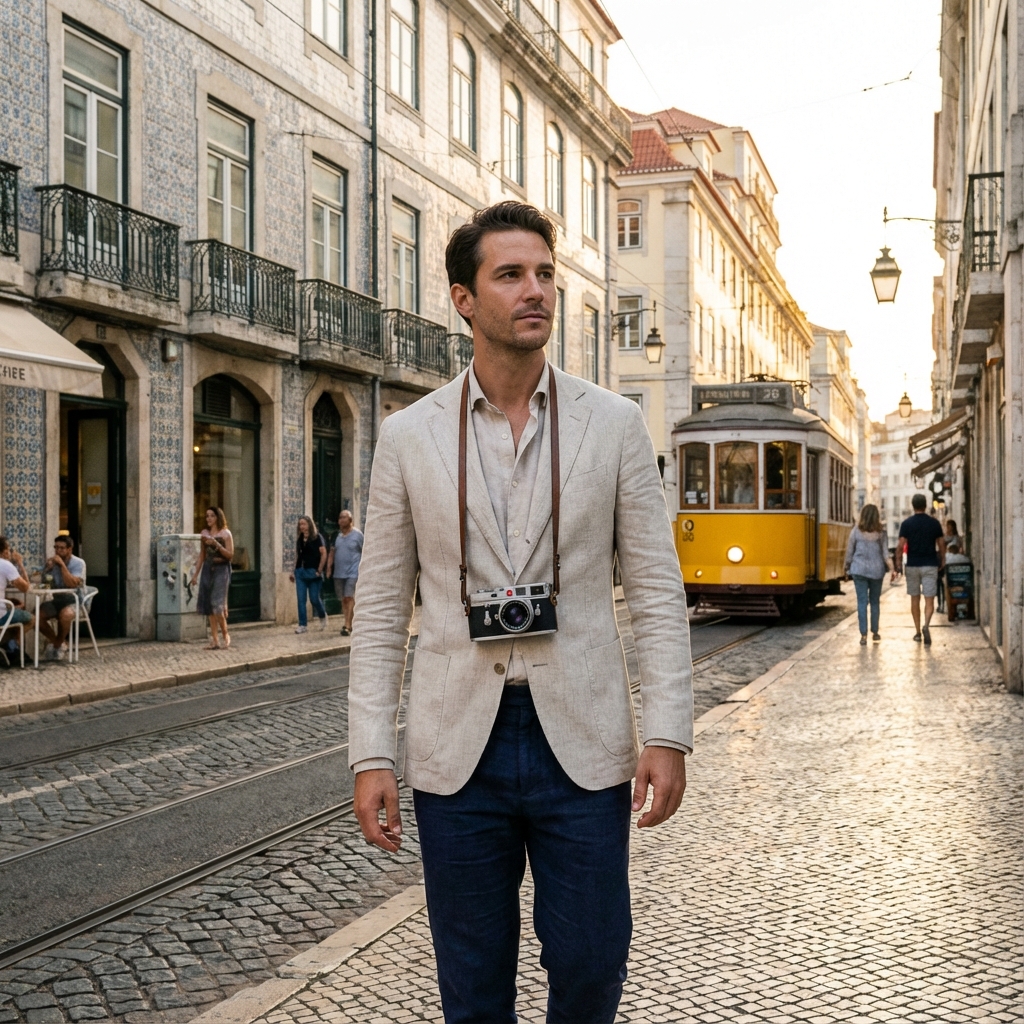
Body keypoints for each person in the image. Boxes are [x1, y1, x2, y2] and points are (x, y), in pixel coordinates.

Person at [348, 201, 693, 1023]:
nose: (534, 290)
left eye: (543, 273)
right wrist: (370, 753)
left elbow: (656, 589)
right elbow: (381, 609)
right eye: (510, 275)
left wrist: (668, 733)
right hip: (455, 747)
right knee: (471, 988)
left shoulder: (613, 424)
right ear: (464, 300)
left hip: (583, 739)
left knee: (592, 963)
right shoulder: (408, 435)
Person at [893, 494, 946, 645]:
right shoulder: (934, 523)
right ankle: (926, 625)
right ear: (925, 505)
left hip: (912, 565)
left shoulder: (907, 524)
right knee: (930, 599)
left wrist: (898, 563)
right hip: (930, 564)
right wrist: (943, 560)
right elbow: (941, 544)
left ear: (913, 505)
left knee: (914, 599)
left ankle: (917, 632)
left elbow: (900, 546)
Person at [844, 503, 891, 644]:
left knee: (862, 602)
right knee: (875, 601)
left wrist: (846, 567)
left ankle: (863, 635)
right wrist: (892, 568)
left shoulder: (856, 531)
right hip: (877, 571)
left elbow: (849, 551)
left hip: (859, 570)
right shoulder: (881, 533)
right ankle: (875, 632)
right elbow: (885, 554)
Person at [190, 507, 233, 649]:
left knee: (217, 606)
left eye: (212, 516)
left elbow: (230, 555)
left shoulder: (226, 534)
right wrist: (195, 575)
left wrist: (216, 544)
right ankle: (215, 640)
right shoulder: (204, 534)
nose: (208, 518)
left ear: (218, 517)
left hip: (222, 569)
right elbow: (202, 555)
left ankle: (225, 634)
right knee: (209, 607)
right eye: (207, 516)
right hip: (208, 569)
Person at [38, 535, 86, 661]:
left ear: (70, 549)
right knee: (35, 616)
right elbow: (45, 583)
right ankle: (59, 643)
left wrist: (62, 565)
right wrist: (47, 570)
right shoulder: (52, 563)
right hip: (57, 600)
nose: (58, 551)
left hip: (74, 601)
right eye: (56, 548)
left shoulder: (78, 563)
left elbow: (72, 584)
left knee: (65, 615)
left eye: (62, 548)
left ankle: (56, 645)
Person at [327, 509, 363, 637]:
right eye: (340, 518)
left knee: (349, 597)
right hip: (339, 572)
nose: (341, 520)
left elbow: (364, 551)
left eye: (344, 517)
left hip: (353, 572)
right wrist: (329, 567)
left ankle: (347, 625)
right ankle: (350, 622)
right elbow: (332, 553)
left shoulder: (358, 535)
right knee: (343, 599)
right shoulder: (336, 536)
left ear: (350, 520)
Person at [290, 515, 327, 633]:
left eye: (304, 524)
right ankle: (302, 625)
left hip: (313, 572)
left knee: (314, 599)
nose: (302, 526)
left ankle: (322, 615)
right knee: (301, 600)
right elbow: (298, 556)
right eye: (300, 524)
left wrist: (319, 570)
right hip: (300, 572)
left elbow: (324, 554)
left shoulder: (317, 538)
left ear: (309, 525)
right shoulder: (300, 539)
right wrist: (293, 571)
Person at [0, 537, 34, 664]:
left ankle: (10, 647)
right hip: (0, 615)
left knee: (14, 617)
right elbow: (26, 588)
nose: (10, 552)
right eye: (9, 549)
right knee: (31, 619)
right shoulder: (5, 565)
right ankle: (12, 646)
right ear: (4, 551)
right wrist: (20, 563)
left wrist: (9, 600)